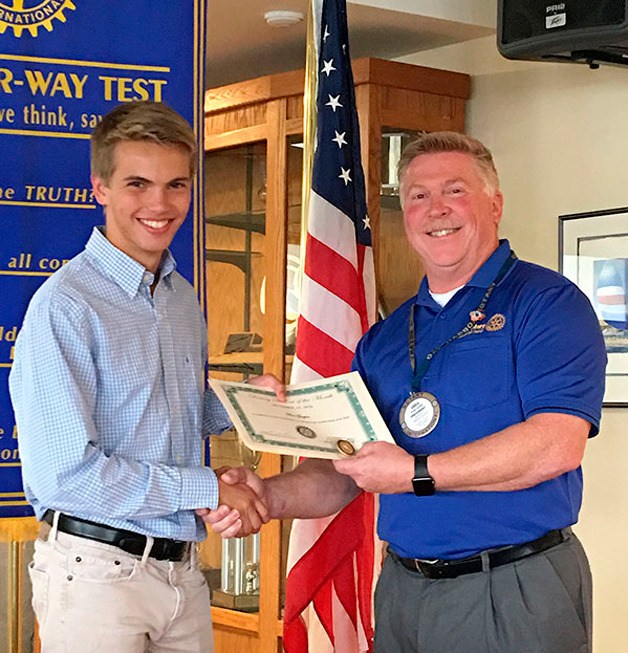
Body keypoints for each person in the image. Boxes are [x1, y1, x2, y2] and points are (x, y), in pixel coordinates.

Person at [204, 131, 607, 653]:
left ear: (495, 204)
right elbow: (345, 470)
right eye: (418, 196)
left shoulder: (549, 305)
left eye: (455, 191)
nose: (436, 210)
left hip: (512, 583)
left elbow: (556, 445)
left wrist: (415, 473)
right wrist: (267, 497)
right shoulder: (386, 338)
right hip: (402, 590)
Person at [9, 101, 281, 653]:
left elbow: (163, 414)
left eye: (176, 185)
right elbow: (67, 476)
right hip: (97, 578)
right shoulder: (65, 306)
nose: (160, 204)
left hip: (181, 569)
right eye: (138, 183)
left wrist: (237, 403)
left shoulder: (181, 298)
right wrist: (208, 487)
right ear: (100, 188)